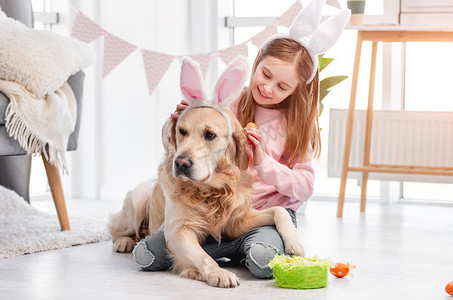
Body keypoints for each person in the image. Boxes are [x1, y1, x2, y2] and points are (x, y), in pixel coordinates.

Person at [132, 0, 350, 279]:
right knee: (147, 255)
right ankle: (224, 251)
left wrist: (264, 162)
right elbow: (182, 145)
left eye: (282, 86)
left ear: (297, 89)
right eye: (265, 74)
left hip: (261, 218)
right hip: (216, 213)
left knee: (263, 261)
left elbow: (305, 188)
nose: (268, 88)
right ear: (257, 59)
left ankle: (242, 250)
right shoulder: (228, 104)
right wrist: (176, 123)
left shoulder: (295, 127)